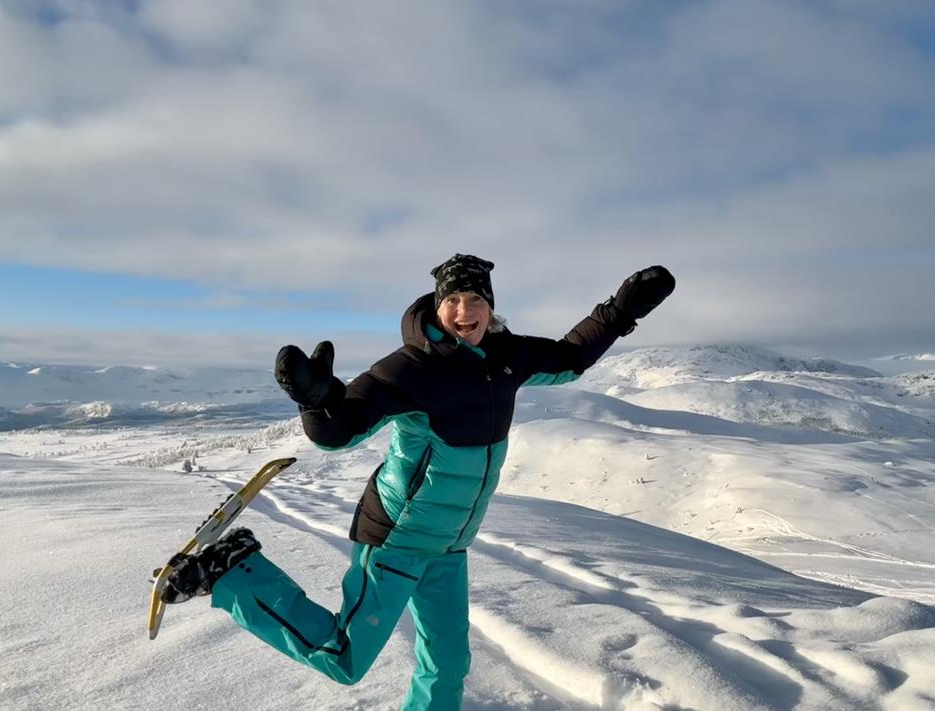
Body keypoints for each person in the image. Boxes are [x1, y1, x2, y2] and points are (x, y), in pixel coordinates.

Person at [161, 254, 675, 710]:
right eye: (452, 298)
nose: (463, 310)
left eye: (474, 298)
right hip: (397, 540)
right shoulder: (411, 369)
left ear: (490, 307)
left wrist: (621, 311)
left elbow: (570, 358)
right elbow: (341, 430)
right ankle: (232, 572)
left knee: (448, 666)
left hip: (450, 547)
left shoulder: (507, 358)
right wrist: (318, 403)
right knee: (344, 656)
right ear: (437, 304)